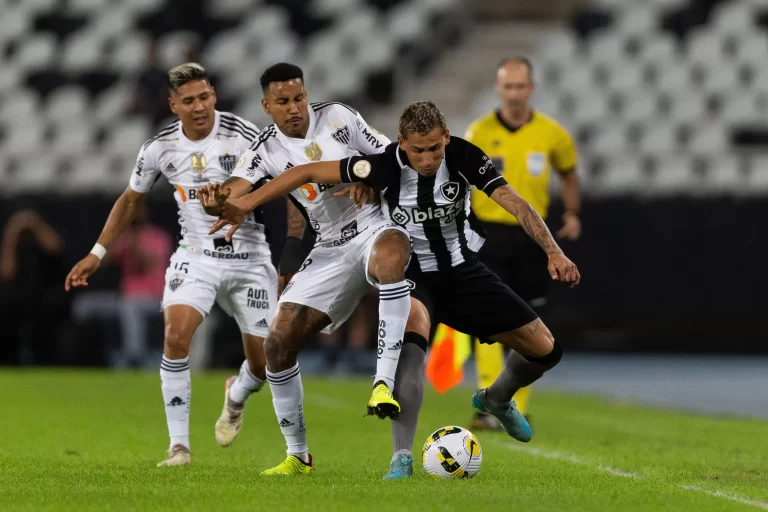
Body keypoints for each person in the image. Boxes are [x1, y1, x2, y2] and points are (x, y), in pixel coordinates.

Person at [210, 101, 581, 478]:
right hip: (414, 275)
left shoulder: (465, 155)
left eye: (435, 148)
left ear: (446, 138)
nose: (428, 158)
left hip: (464, 273)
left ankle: (496, 399)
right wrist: (245, 203)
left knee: (546, 351)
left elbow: (516, 203)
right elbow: (304, 171)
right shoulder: (381, 163)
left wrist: (554, 252)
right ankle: (401, 458)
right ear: (402, 143)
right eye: (418, 150)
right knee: (410, 357)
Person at [197, 62, 413, 475]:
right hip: (329, 246)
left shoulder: (339, 117)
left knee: (390, 259)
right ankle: (298, 456)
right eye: (283, 102)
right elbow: (234, 193)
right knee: (276, 344)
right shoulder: (264, 149)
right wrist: (215, 203)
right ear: (267, 105)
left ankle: (381, 383)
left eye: (299, 97)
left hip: (373, 226)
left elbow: (390, 155)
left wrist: (375, 177)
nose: (295, 108)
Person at [64, 63, 277, 467]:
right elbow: (130, 200)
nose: (199, 107)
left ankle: (238, 392)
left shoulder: (245, 135)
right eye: (189, 101)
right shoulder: (160, 147)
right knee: (176, 337)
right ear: (173, 104)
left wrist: (235, 201)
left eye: (205, 97)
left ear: (214, 94)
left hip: (249, 258)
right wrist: (97, 253)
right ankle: (178, 448)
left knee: (265, 365)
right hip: (195, 256)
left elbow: (278, 182)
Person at [465, 57, 581, 430]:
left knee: (529, 322)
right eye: (508, 87)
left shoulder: (552, 133)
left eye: (520, 86)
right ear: (499, 89)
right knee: (488, 321)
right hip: (489, 233)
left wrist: (572, 215)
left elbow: (568, 173)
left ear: (531, 88)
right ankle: (487, 406)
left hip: (532, 236)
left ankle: (514, 404)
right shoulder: (479, 131)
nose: (514, 93)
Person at [110, 204, 173, 367]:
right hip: (128, 298)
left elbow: (149, 263)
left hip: (156, 299)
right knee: (129, 306)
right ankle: (135, 357)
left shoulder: (159, 237)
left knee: (131, 307)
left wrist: (135, 243)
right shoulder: (123, 237)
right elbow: (106, 261)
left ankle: (134, 358)